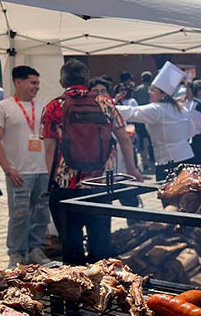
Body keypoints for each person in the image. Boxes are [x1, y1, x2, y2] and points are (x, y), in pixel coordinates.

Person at [41, 59, 142, 264]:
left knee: (71, 246)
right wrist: (132, 169)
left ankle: (76, 290)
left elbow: (50, 149)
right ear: (87, 80)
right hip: (99, 185)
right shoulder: (105, 103)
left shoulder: (53, 106)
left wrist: (52, 181)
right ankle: (101, 288)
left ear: (62, 82)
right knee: (101, 244)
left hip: (66, 188)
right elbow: (124, 139)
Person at [0, 66, 51, 267]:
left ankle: (36, 250)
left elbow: (49, 140)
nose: (37, 87)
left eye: (38, 83)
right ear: (18, 82)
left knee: (41, 214)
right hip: (18, 171)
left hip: (41, 170)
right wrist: (7, 168)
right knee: (20, 215)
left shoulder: (43, 107)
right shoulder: (2, 107)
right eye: (33, 83)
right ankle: (16, 254)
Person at [117, 62, 201, 180]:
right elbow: (191, 131)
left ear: (163, 94)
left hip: (169, 163)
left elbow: (131, 112)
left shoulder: (157, 109)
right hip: (188, 158)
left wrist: (105, 104)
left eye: (153, 90)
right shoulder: (181, 108)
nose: (149, 91)